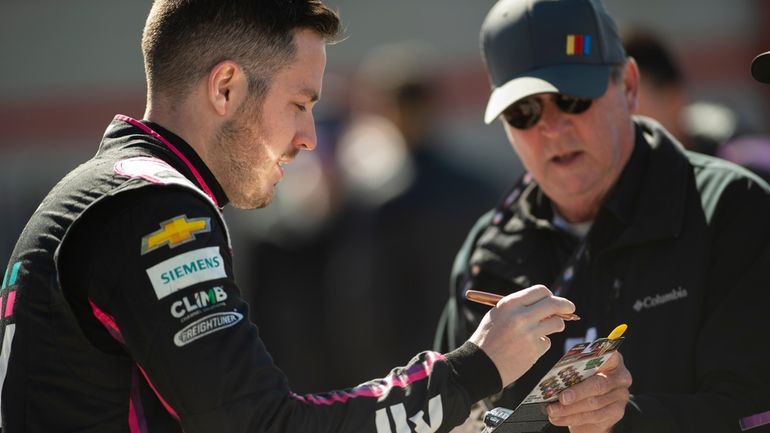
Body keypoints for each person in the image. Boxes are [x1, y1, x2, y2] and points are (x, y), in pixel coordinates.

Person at [0, 1, 578, 432]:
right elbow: (263, 425)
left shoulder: (99, 191)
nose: (308, 137)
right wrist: (473, 371)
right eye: (300, 105)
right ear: (225, 87)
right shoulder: (157, 207)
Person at [435, 0, 770, 432]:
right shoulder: (489, 250)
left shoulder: (731, 208)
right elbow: (450, 413)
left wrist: (623, 422)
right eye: (524, 112)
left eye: (573, 98)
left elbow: (757, 410)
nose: (553, 128)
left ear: (629, 86)